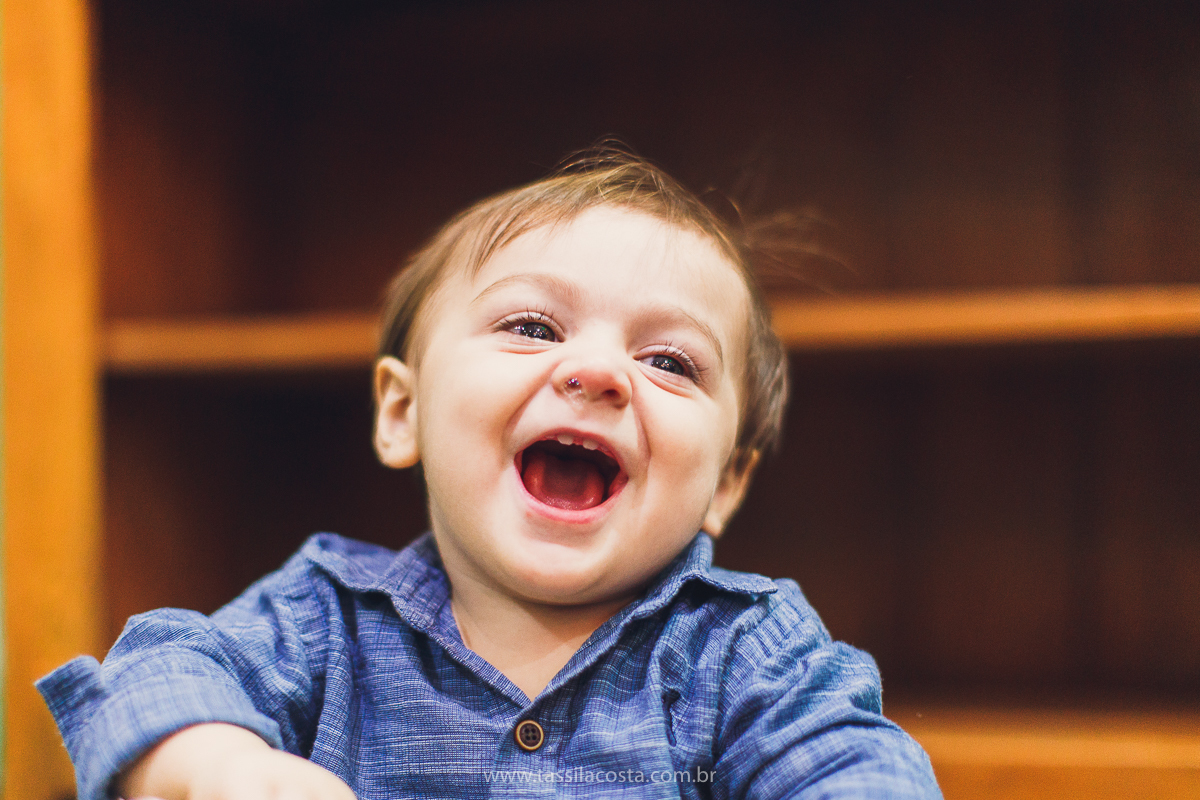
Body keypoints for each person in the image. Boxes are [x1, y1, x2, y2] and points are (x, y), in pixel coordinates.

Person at [39, 150, 941, 799]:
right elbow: (164, 670)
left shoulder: (746, 654)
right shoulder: (324, 619)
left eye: (670, 361)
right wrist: (215, 764)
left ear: (727, 486)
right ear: (404, 413)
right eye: (533, 328)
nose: (598, 373)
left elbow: (848, 766)